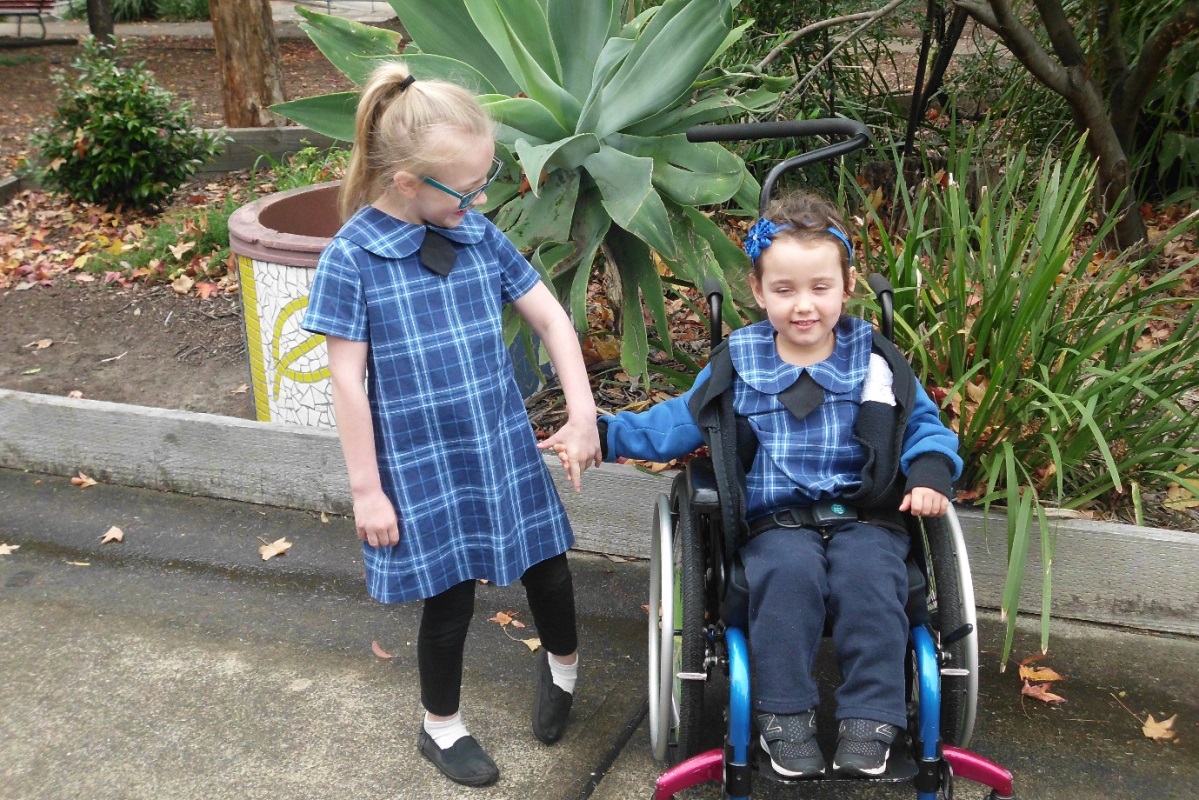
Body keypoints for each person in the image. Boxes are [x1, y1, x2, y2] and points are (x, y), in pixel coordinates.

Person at [302, 63, 602, 788]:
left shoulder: (476, 234)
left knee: (547, 565)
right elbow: (345, 382)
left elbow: (550, 318)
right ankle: (440, 727)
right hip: (421, 462)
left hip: (498, 444)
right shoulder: (352, 258)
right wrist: (366, 490)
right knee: (449, 598)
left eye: (483, 181)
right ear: (407, 182)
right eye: (467, 189)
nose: (481, 199)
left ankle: (563, 671)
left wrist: (583, 412)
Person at [596, 191, 961, 779]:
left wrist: (930, 472)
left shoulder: (874, 360)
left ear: (846, 287)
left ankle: (871, 717)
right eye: (785, 290)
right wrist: (606, 434)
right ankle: (783, 716)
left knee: (872, 578)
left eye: (820, 287)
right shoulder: (739, 363)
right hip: (776, 523)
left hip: (866, 516)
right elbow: (678, 422)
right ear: (759, 291)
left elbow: (922, 426)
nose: (804, 305)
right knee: (786, 578)